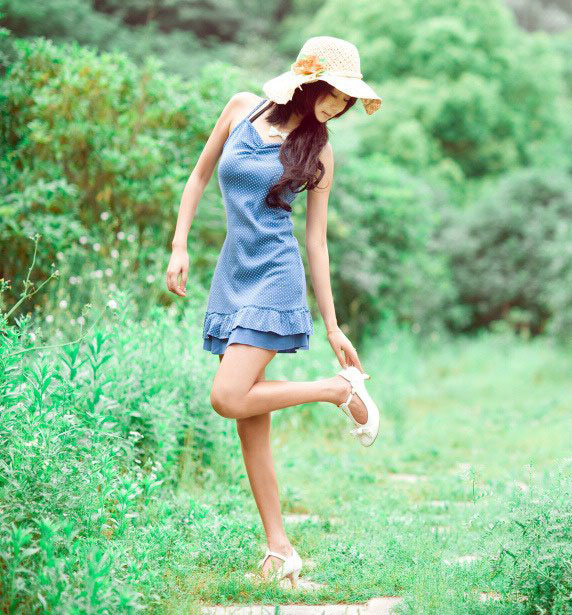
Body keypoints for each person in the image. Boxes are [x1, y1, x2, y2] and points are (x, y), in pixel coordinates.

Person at [164, 36, 383, 588]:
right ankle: (279, 551)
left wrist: (332, 325)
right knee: (249, 422)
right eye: (334, 95)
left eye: (346, 101)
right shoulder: (241, 107)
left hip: (276, 276)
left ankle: (339, 390)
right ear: (309, 82)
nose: (338, 108)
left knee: (227, 397)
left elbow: (317, 243)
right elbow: (198, 177)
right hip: (232, 273)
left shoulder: (320, 152)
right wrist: (180, 245)